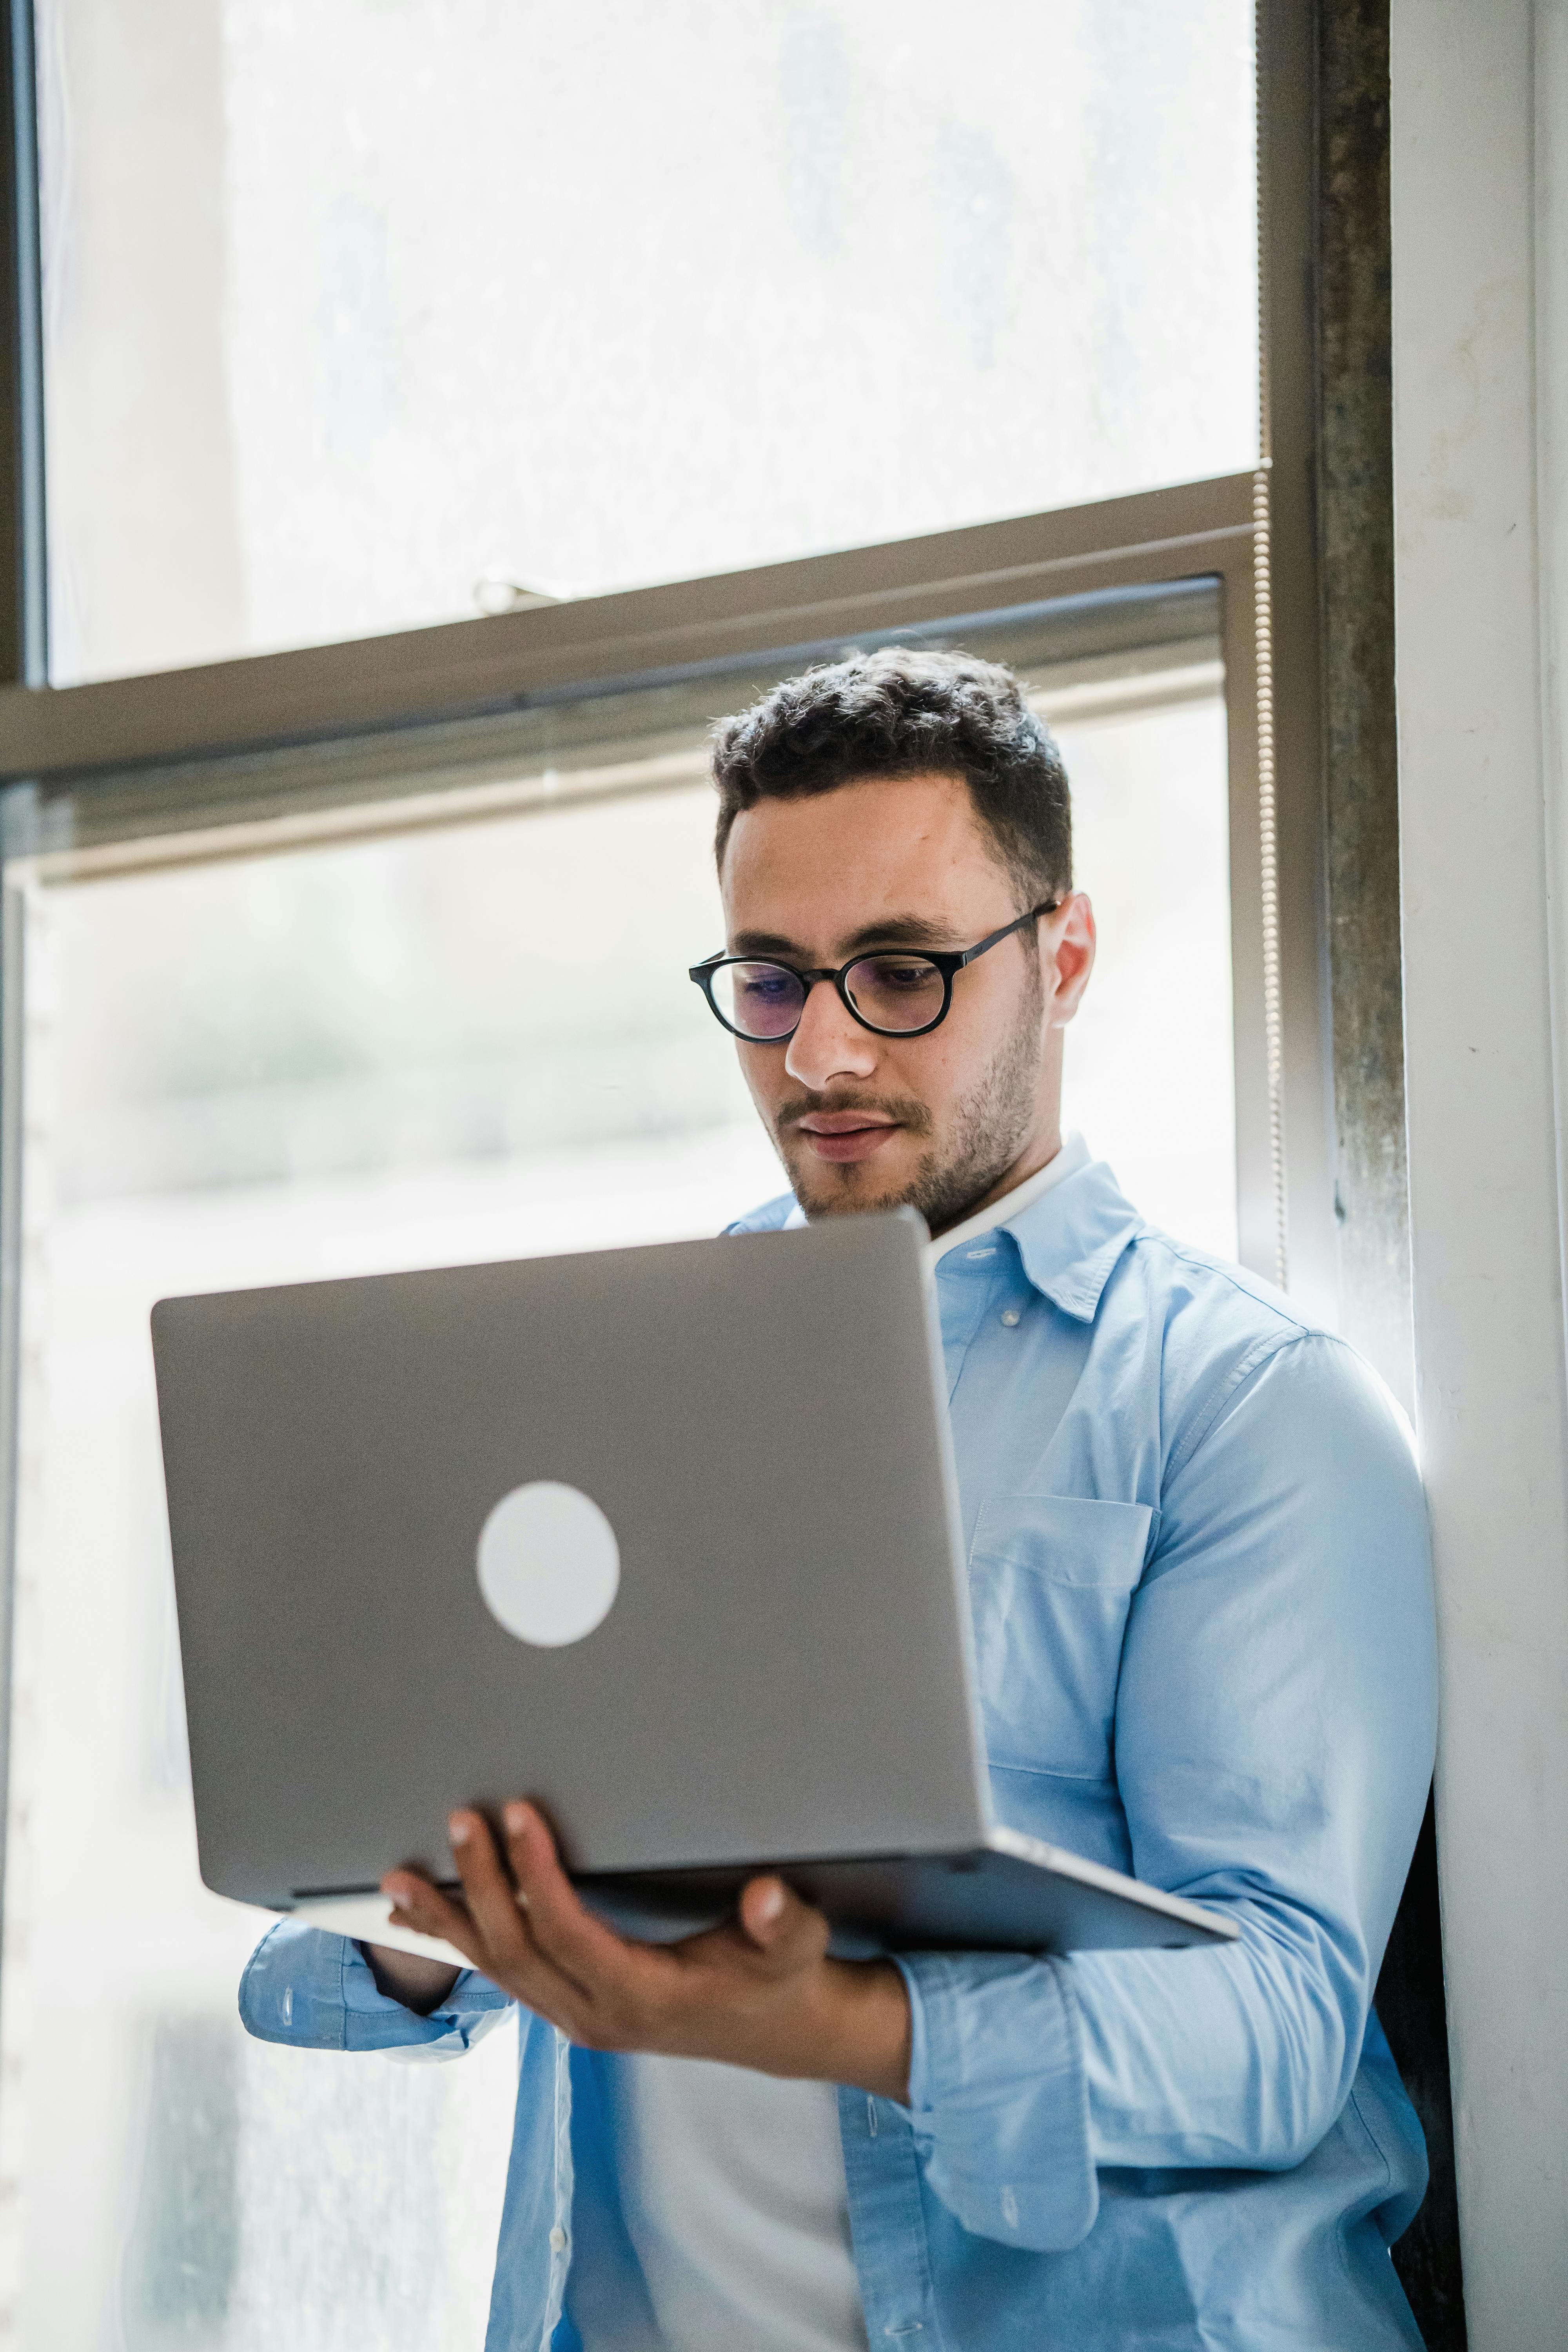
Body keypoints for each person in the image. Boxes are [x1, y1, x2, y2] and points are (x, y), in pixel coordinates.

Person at [239, 649, 1437, 2351]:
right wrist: (442, 1930)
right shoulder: (614, 1377)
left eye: (900, 972)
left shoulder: (1247, 1407)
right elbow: (423, 1907)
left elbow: (1277, 2028)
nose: (823, 1052)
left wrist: (849, 2023)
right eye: (772, 979)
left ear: (1063, 958)